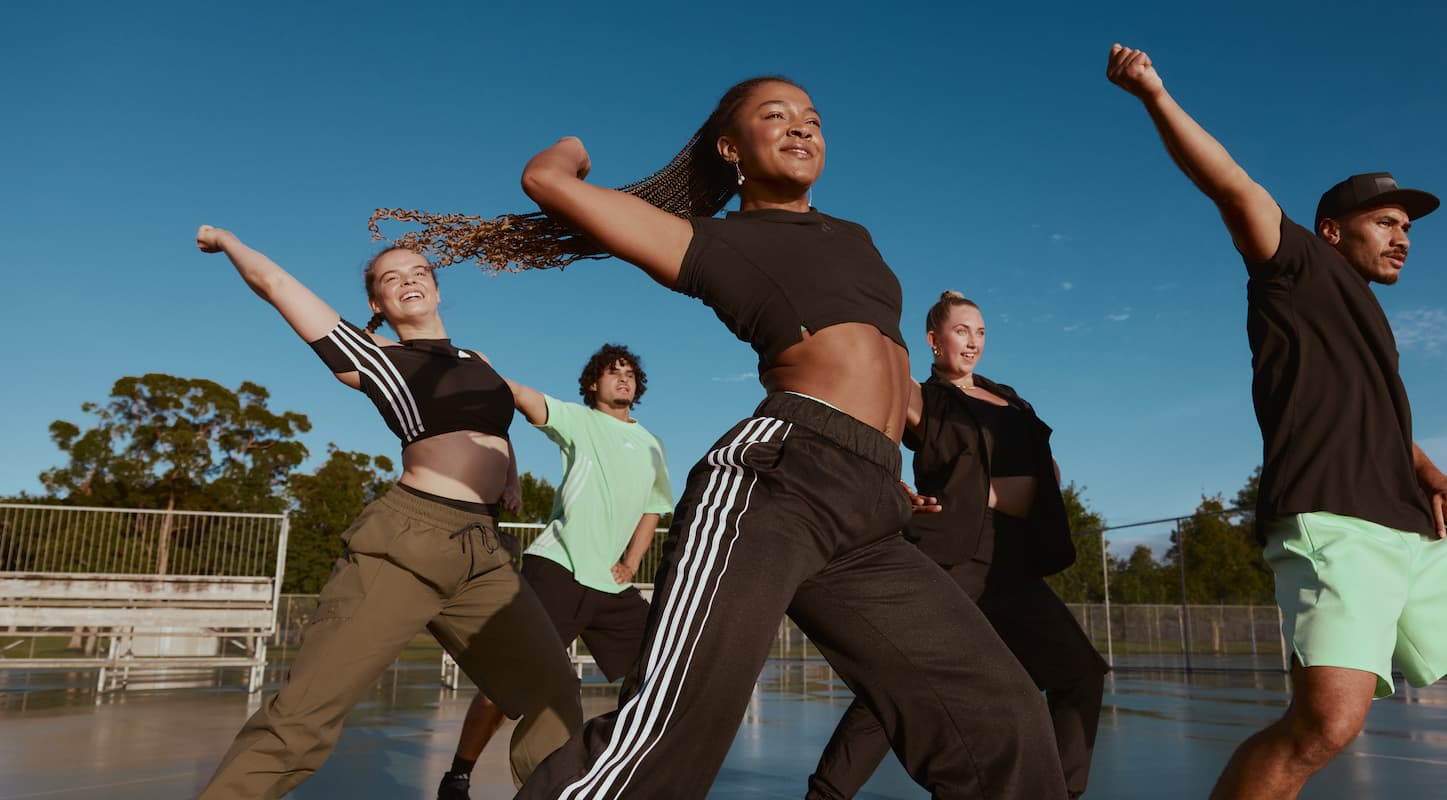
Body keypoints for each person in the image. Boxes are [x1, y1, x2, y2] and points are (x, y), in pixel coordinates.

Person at [378, 76, 1067, 798]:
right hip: (780, 480)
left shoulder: (855, 238)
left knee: (1001, 718)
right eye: (776, 116)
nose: (802, 128)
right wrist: (578, 146)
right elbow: (546, 179)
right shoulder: (714, 243)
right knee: (669, 737)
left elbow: (887, 376)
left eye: (813, 119)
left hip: (871, 502)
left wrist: (893, 462)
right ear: (732, 149)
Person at [1105, 45, 1447, 800]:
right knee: (1326, 725)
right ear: (1331, 230)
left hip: (1417, 531)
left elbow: (1380, 419)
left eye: (1407, 227)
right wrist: (1154, 94)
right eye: (1384, 222)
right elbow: (1228, 183)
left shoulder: (1371, 321)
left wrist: (1433, 474)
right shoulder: (1294, 272)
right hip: (1335, 524)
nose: (1402, 237)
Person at [192, 226, 581, 799]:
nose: (408, 280)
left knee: (554, 696)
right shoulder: (376, 358)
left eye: (419, 271)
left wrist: (511, 472)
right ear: (377, 303)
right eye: (390, 278)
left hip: (485, 555)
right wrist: (229, 242)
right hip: (407, 541)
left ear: (437, 288)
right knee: (301, 721)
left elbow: (492, 421)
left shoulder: (481, 360)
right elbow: (275, 284)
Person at [807, 290, 1110, 799]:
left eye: (981, 332)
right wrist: (888, 482)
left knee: (1079, 675)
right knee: (895, 688)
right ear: (933, 340)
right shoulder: (924, 398)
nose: (972, 342)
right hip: (952, 558)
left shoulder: (1010, 398)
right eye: (962, 331)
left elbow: (1045, 465)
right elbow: (860, 402)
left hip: (1010, 567)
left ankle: (1059, 792)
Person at [438, 344, 672, 800]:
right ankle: (459, 774)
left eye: (629, 374)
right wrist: (487, 372)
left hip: (610, 583)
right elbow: (523, 396)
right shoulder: (577, 421)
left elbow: (653, 508)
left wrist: (632, 563)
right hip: (558, 567)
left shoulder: (651, 444)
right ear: (592, 384)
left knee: (657, 674)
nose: (623, 379)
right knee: (507, 683)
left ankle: (601, 771)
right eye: (612, 373)